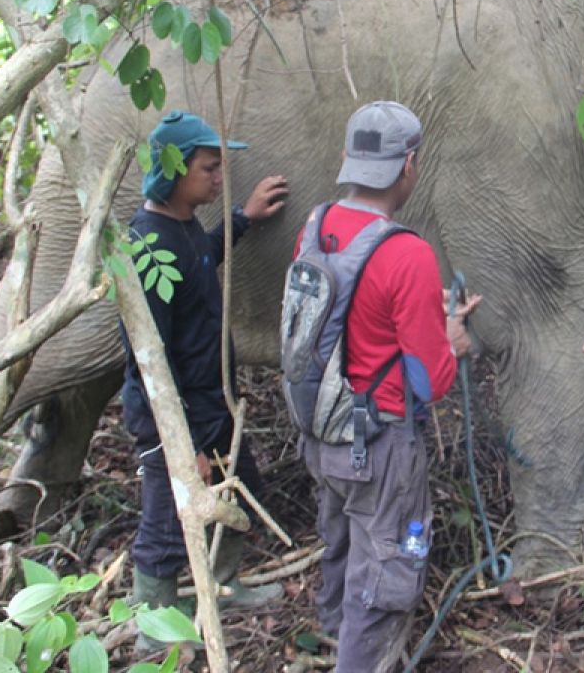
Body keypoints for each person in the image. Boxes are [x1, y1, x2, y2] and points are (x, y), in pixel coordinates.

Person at [297, 101, 480, 673]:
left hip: (321, 434)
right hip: (378, 450)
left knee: (341, 546)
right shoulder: (407, 253)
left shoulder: (315, 224)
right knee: (383, 577)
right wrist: (451, 338)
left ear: (351, 161)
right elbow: (429, 382)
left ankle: (333, 631)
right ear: (409, 166)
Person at [119, 111, 289, 653]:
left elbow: (199, 263)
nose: (219, 178)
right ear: (174, 170)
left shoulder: (183, 227)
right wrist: (181, 445)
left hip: (210, 403)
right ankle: (155, 635)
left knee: (241, 493)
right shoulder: (147, 246)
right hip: (174, 417)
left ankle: (220, 586)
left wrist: (242, 218)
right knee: (167, 527)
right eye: (210, 169)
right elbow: (150, 358)